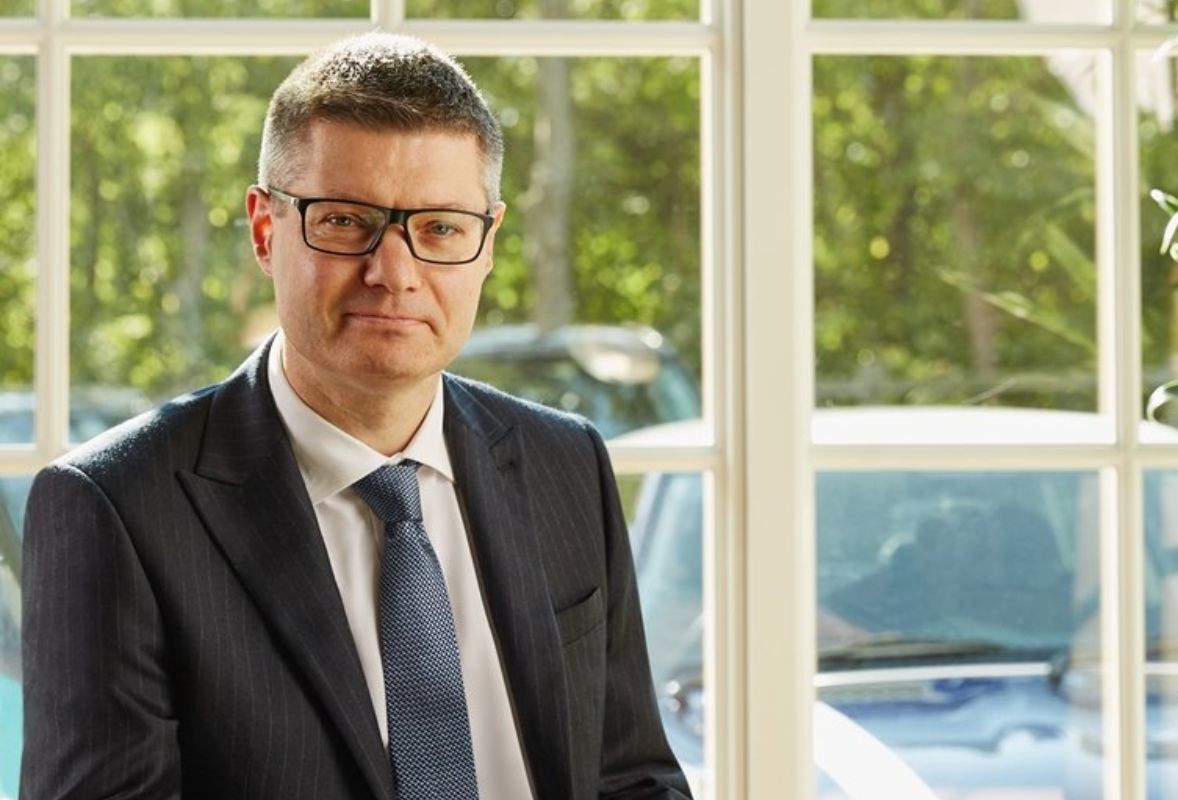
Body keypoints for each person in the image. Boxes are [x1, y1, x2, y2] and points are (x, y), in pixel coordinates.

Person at [20, 32, 691, 800]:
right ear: (265, 229)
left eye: (441, 227)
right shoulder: (117, 509)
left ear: (487, 244)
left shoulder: (565, 462)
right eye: (345, 221)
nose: (394, 272)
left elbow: (632, 778)